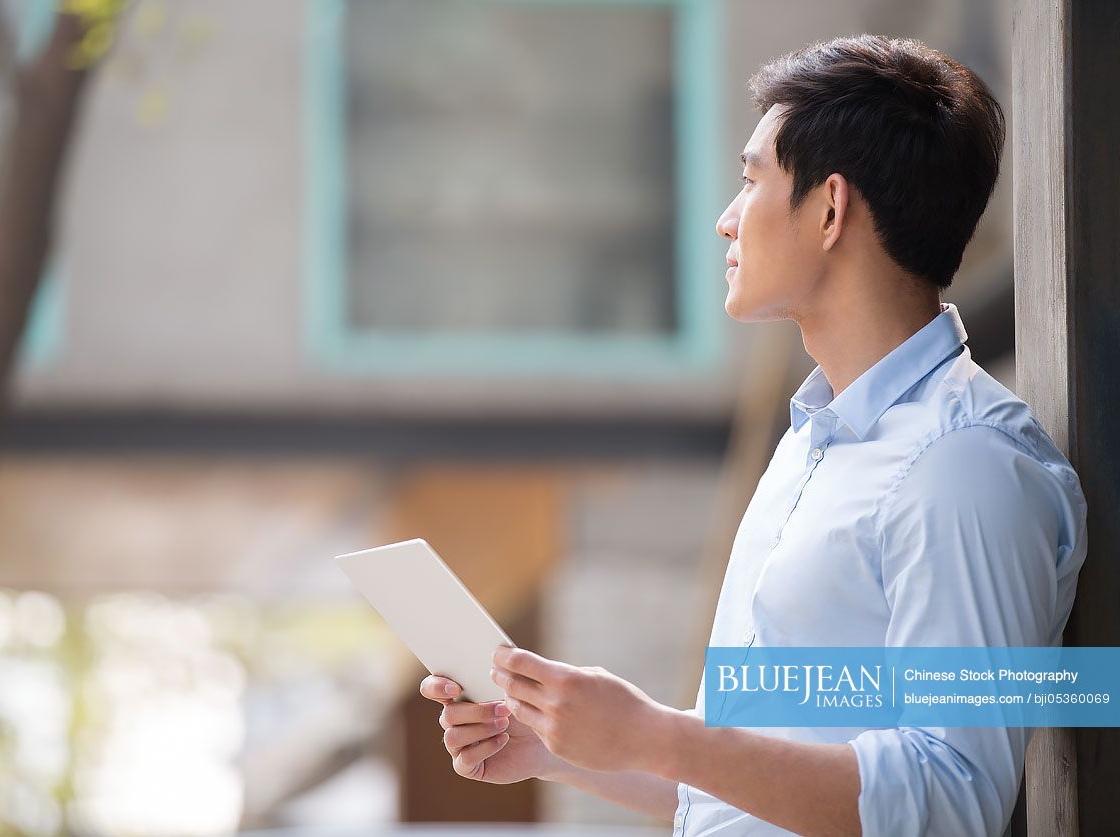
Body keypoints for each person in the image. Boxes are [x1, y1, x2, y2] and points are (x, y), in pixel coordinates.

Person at [419, 34, 1087, 836]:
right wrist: (559, 747)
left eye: (750, 181)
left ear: (830, 208)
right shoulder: (812, 447)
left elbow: (948, 799)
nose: (724, 221)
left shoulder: (964, 465)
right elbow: (739, 782)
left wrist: (659, 735)